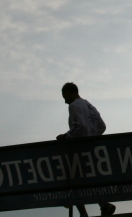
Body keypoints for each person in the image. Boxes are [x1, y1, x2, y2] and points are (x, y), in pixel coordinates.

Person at [56, 82, 116, 217]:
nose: (64, 101)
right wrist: (92, 137)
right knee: (90, 180)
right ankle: (104, 204)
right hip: (92, 150)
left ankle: (84, 213)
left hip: (79, 149)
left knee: (73, 182)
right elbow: (102, 126)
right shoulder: (90, 106)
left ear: (67, 93)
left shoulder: (74, 105)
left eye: (64, 96)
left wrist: (66, 136)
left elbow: (80, 126)